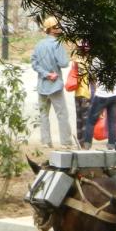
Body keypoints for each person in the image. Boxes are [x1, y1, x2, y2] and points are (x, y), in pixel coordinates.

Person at [31, 16, 74, 148]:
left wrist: (46, 74)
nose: (60, 29)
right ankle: (66, 142)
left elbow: (34, 64)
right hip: (55, 85)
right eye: (57, 27)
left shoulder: (39, 44)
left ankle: (46, 141)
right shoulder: (57, 44)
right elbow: (64, 63)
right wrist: (52, 73)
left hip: (42, 85)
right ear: (52, 30)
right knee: (62, 114)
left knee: (43, 114)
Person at [82, 65, 116, 151]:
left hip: (101, 95)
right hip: (115, 94)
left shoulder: (97, 60)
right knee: (112, 121)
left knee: (90, 121)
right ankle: (111, 145)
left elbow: (91, 77)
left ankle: (87, 144)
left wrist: (96, 88)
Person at [69, 40, 93, 147]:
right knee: (86, 119)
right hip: (86, 93)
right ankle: (85, 142)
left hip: (77, 93)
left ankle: (79, 142)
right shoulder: (90, 62)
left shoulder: (76, 61)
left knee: (79, 119)